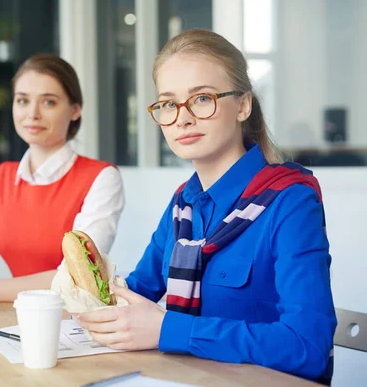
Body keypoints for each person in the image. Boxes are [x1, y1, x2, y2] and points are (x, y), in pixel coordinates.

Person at [76, 29, 336, 384]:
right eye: (168, 103)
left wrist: (171, 329)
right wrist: (85, 295)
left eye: (201, 99)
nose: (181, 118)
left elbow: (308, 345)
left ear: (243, 105)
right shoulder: (183, 204)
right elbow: (133, 294)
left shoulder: (291, 201)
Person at [0, 54, 124, 308]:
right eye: (23, 100)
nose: (32, 114)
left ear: (75, 110)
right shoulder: (3, 176)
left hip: (77, 324)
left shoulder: (101, 178)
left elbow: (71, 279)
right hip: (18, 314)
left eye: (49, 102)